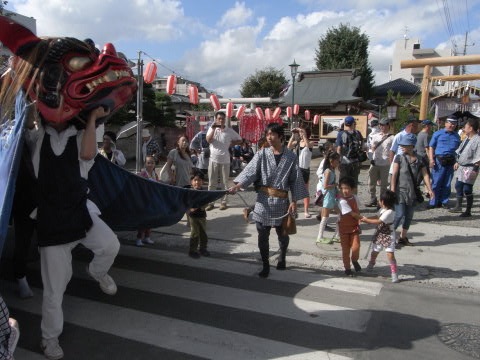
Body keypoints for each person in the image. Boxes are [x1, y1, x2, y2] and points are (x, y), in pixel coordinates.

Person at [25, 106, 120, 360]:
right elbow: (30, 117)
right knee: (55, 289)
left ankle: (97, 271)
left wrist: (90, 117)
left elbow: (88, 154)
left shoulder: (79, 135)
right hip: (51, 220)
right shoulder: (36, 135)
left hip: (80, 212)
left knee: (110, 245)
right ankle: (50, 338)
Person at [229, 123, 308, 278]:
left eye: (272, 134)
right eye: (267, 135)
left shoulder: (291, 157)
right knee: (262, 235)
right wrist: (237, 186)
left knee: (283, 234)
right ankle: (265, 264)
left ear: (280, 136)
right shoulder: (262, 154)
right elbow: (250, 172)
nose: (269, 138)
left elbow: (295, 180)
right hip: (263, 201)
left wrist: (294, 201)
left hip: (282, 201)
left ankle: (282, 256)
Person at [391, 133, 434, 247]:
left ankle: (403, 237)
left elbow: (425, 175)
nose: (401, 146)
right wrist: (392, 190)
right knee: (399, 214)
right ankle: (389, 237)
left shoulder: (419, 159)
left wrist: (430, 189)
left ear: (411, 146)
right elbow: (394, 174)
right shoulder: (399, 157)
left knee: (409, 216)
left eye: (404, 145)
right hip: (400, 191)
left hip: (413, 193)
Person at [12, 144, 36, 299]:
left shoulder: (29, 139)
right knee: (23, 241)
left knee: (25, 240)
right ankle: (20, 277)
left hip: (32, 199)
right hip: (21, 201)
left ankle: (21, 276)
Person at [205, 111, 242, 211]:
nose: (221, 120)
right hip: (213, 159)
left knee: (224, 183)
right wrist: (213, 128)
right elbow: (208, 140)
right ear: (216, 119)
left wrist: (231, 143)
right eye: (219, 118)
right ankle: (210, 202)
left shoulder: (229, 131)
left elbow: (240, 139)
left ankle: (223, 202)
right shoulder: (212, 129)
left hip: (225, 160)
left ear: (225, 119)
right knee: (211, 183)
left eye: (222, 118)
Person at [360, 190, 399, 283]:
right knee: (374, 251)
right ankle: (371, 263)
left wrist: (366, 220)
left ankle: (394, 273)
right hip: (380, 234)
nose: (379, 202)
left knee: (390, 254)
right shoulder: (382, 210)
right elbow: (376, 216)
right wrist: (366, 218)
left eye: (380, 200)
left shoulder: (390, 212)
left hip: (388, 235)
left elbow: (378, 221)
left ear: (384, 202)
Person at [427, 116, 461, 209]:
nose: (451, 125)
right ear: (445, 123)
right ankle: (433, 201)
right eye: (450, 123)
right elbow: (431, 147)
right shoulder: (437, 134)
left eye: (454, 123)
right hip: (439, 160)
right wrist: (431, 159)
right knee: (436, 182)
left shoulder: (457, 136)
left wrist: (457, 161)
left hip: (451, 161)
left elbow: (459, 150)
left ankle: (444, 201)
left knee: (447, 182)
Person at [449, 118, 480, 217]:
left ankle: (468, 210)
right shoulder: (466, 138)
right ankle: (458, 205)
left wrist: (475, 168)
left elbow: (478, 155)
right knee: (458, 185)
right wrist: (457, 161)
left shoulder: (478, 140)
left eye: (465, 127)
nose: (463, 129)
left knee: (467, 188)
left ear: (471, 128)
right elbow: (460, 151)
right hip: (462, 166)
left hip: (471, 167)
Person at [337, 176, 363, 276]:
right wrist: (364, 219)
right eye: (342, 188)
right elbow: (352, 214)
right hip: (343, 229)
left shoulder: (355, 198)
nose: (345, 191)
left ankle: (354, 260)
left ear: (353, 189)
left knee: (356, 247)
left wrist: (359, 223)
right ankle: (347, 268)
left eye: (347, 188)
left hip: (354, 228)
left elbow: (357, 210)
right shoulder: (341, 201)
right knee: (345, 250)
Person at [366, 118, 394, 207]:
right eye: (381, 125)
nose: (382, 127)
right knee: (371, 181)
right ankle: (373, 198)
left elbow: (393, 150)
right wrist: (372, 150)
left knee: (384, 184)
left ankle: (382, 201)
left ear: (388, 125)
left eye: (384, 125)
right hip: (375, 161)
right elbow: (371, 148)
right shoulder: (375, 136)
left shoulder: (392, 137)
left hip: (386, 163)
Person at [288, 126, 314, 218]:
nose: (300, 134)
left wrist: (304, 135)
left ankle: (306, 210)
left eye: (302, 132)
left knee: (305, 191)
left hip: (305, 169)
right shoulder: (297, 142)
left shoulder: (311, 142)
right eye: (300, 133)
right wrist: (292, 136)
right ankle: (294, 210)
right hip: (297, 168)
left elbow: (307, 146)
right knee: (294, 190)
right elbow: (288, 147)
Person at [315, 151, 340, 244]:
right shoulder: (328, 171)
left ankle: (336, 235)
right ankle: (320, 237)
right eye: (337, 160)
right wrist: (335, 185)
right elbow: (325, 186)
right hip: (328, 196)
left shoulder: (331, 170)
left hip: (331, 196)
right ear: (331, 160)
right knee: (325, 217)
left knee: (339, 215)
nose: (338, 162)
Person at [185, 172, 210, 258]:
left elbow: (206, 202)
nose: (197, 182)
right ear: (191, 181)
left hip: (202, 215)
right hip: (192, 216)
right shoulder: (189, 192)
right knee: (195, 234)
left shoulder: (204, 192)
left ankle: (203, 249)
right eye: (195, 180)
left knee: (203, 233)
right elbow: (186, 202)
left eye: (199, 180)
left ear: (202, 181)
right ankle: (192, 251)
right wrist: (189, 209)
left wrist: (199, 206)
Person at [136, 155, 159, 246]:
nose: (150, 164)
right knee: (143, 220)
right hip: (144, 200)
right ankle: (139, 239)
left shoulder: (155, 174)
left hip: (152, 199)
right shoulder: (142, 174)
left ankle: (147, 237)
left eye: (152, 162)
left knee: (150, 220)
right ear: (145, 164)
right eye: (148, 162)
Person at [336, 116, 364, 188]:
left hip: (345, 162)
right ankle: (353, 198)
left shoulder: (341, 134)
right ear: (353, 123)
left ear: (345, 124)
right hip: (355, 162)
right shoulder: (358, 133)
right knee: (354, 183)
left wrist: (338, 162)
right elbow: (362, 147)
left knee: (343, 182)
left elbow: (339, 149)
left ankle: (343, 198)